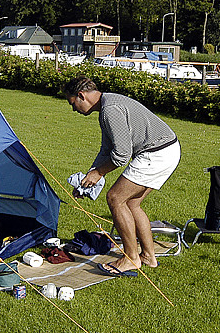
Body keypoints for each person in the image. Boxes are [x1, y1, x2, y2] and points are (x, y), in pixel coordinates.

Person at [62, 76, 180, 276]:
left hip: (157, 153)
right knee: (132, 204)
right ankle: (149, 257)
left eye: (72, 103)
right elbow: (106, 150)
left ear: (81, 96)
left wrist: (99, 172)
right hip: (168, 149)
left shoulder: (110, 110)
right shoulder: (107, 105)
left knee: (115, 198)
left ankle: (131, 258)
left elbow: (122, 155)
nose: (73, 109)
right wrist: (88, 179)